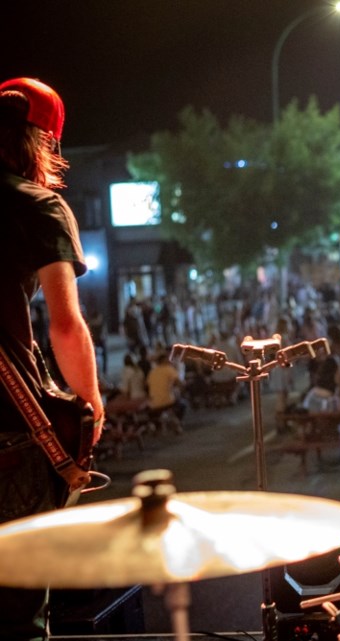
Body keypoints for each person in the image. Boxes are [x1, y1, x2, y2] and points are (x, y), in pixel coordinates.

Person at [0, 77, 105, 641]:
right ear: (42, 142)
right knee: (17, 615)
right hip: (9, 438)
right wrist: (90, 401)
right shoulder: (36, 205)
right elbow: (65, 323)